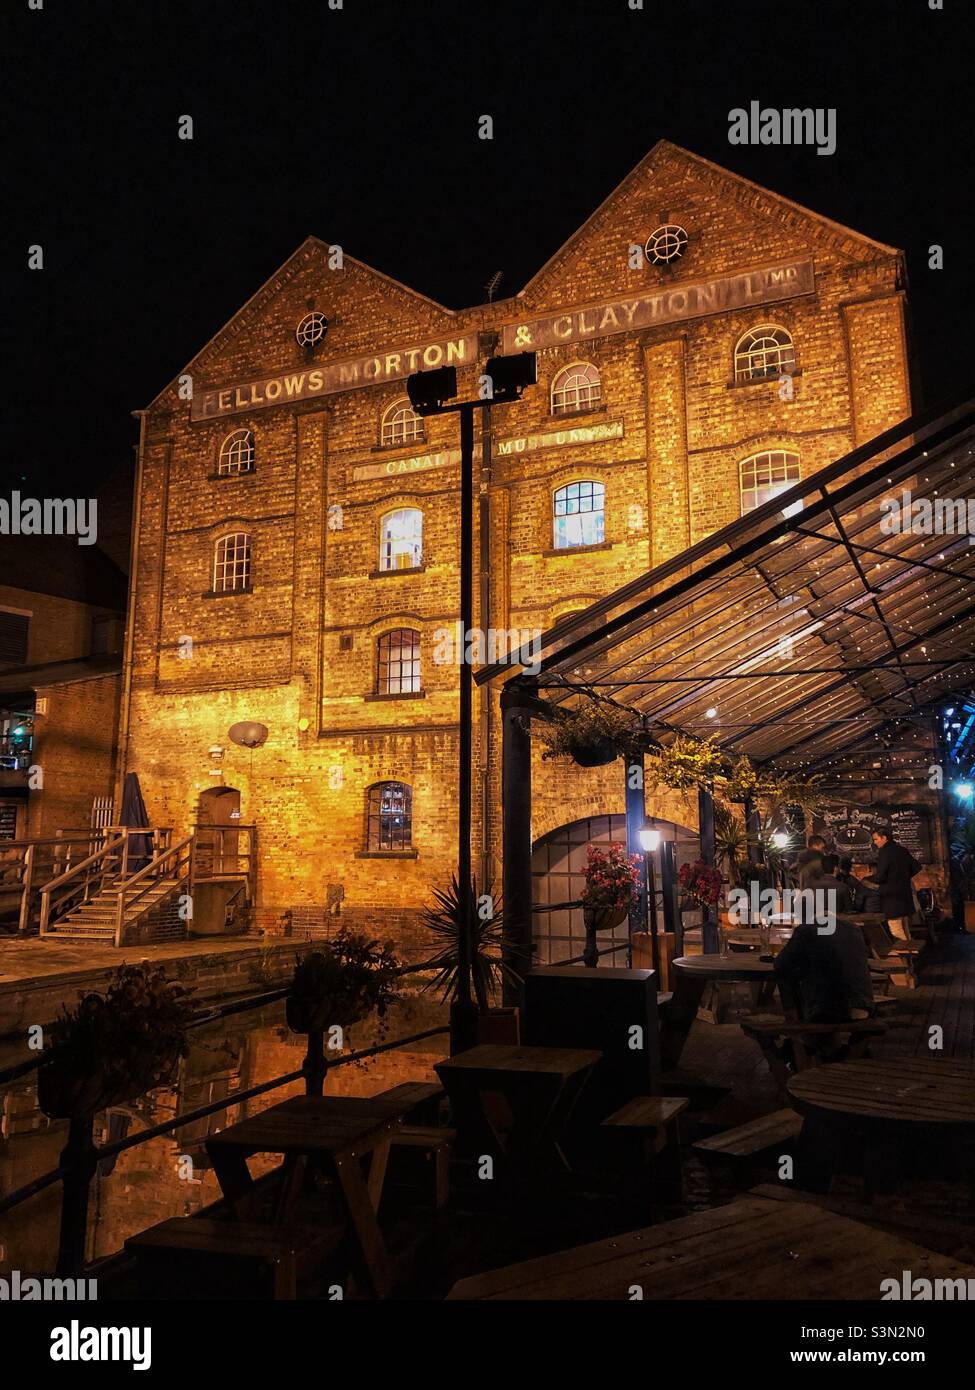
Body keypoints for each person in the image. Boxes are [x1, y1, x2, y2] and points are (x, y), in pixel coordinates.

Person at [773, 916, 875, 1027]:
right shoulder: (854, 929)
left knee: (787, 978)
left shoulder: (806, 930)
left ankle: (797, 1032)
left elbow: (780, 964)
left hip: (825, 1010)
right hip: (864, 1006)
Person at [867, 828, 920, 943]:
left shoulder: (884, 852)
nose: (874, 842)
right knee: (905, 927)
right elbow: (917, 867)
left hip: (891, 897)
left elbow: (881, 876)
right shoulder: (902, 850)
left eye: (876, 839)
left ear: (884, 838)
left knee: (896, 929)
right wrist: (903, 877)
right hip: (905, 894)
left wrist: (871, 881)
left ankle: (905, 957)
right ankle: (910, 956)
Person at [798, 852, 854, 917]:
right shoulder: (843, 887)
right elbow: (849, 910)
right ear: (836, 868)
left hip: (813, 923)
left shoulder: (809, 885)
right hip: (836, 924)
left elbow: (803, 908)